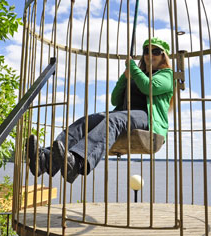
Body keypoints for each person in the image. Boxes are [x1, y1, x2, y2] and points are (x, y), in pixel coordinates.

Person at [27, 37, 174, 183]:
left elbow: (149, 87)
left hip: (147, 119)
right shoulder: (136, 74)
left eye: (155, 51)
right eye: (146, 51)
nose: (150, 55)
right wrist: (124, 78)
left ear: (164, 56)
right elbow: (115, 99)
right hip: (125, 115)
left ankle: (77, 162)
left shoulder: (167, 75)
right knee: (87, 121)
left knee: (113, 120)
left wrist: (133, 68)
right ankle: (46, 160)